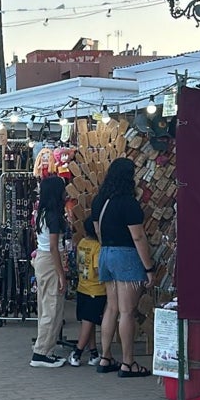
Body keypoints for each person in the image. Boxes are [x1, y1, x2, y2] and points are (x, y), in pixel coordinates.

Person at [90, 157, 154, 377]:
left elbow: (98, 231)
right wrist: (149, 267)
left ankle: (106, 357)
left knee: (111, 307)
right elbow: (138, 237)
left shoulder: (100, 200)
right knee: (127, 312)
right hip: (125, 256)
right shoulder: (128, 202)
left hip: (105, 254)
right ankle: (128, 363)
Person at [30, 174, 69, 368]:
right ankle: (42, 351)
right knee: (52, 307)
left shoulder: (42, 213)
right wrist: (62, 274)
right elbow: (54, 246)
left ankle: (44, 347)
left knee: (46, 305)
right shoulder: (53, 215)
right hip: (50, 260)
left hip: (43, 260)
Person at [67, 218, 105, 367]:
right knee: (89, 322)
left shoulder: (82, 243)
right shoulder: (98, 247)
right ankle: (77, 352)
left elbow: (79, 264)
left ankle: (94, 352)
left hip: (82, 287)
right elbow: (97, 269)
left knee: (87, 322)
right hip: (96, 289)